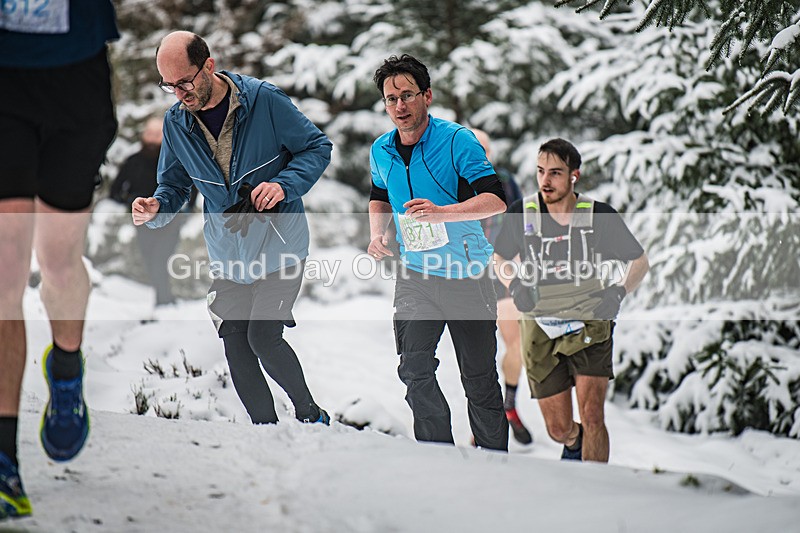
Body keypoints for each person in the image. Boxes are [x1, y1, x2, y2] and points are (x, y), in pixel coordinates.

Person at [132, 32, 332, 426]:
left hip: (279, 244)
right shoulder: (176, 123)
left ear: (208, 65)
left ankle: (312, 417)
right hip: (228, 253)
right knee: (236, 345)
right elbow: (173, 187)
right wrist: (156, 207)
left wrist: (283, 185)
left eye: (185, 82)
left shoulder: (263, 101)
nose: (179, 94)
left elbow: (316, 147)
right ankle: (264, 432)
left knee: (263, 338)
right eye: (169, 86)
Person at [0, 1, 119, 520]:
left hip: (75, 75)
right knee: (5, 268)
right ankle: (4, 462)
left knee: (59, 262)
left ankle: (65, 367)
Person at [368, 54, 509, 451]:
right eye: (391, 98)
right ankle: (437, 457)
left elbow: (496, 200)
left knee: (479, 381)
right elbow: (379, 195)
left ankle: (496, 464)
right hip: (416, 276)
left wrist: (442, 213)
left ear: (426, 96)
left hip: (468, 277)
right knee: (414, 370)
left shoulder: (456, 140)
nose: (399, 105)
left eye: (407, 95)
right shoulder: (381, 150)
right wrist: (377, 234)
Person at [493, 138, 649, 462]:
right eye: (540, 172)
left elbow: (640, 261)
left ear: (574, 176)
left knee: (593, 416)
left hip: (589, 319)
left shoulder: (598, 215)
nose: (545, 181)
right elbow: (500, 258)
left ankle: (594, 484)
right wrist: (515, 284)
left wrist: (618, 292)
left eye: (555, 173)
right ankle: (575, 445)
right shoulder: (522, 212)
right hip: (540, 325)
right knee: (558, 428)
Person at [472, 128, 532, 446]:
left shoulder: (505, 181)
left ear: (490, 153)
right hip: (467, 277)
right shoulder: (451, 180)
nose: (479, 154)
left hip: (502, 272)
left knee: (516, 344)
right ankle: (485, 422)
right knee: (479, 356)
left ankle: (508, 403)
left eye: (483, 149)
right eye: (473, 147)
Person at [110, 116, 197, 307]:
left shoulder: (175, 161)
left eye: (157, 134)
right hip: (143, 221)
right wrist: (130, 203)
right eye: (149, 133)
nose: (151, 138)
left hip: (170, 219)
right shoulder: (133, 161)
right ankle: (163, 299)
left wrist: (187, 208)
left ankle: (164, 301)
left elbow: (192, 186)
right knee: (150, 259)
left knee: (161, 259)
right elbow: (115, 191)